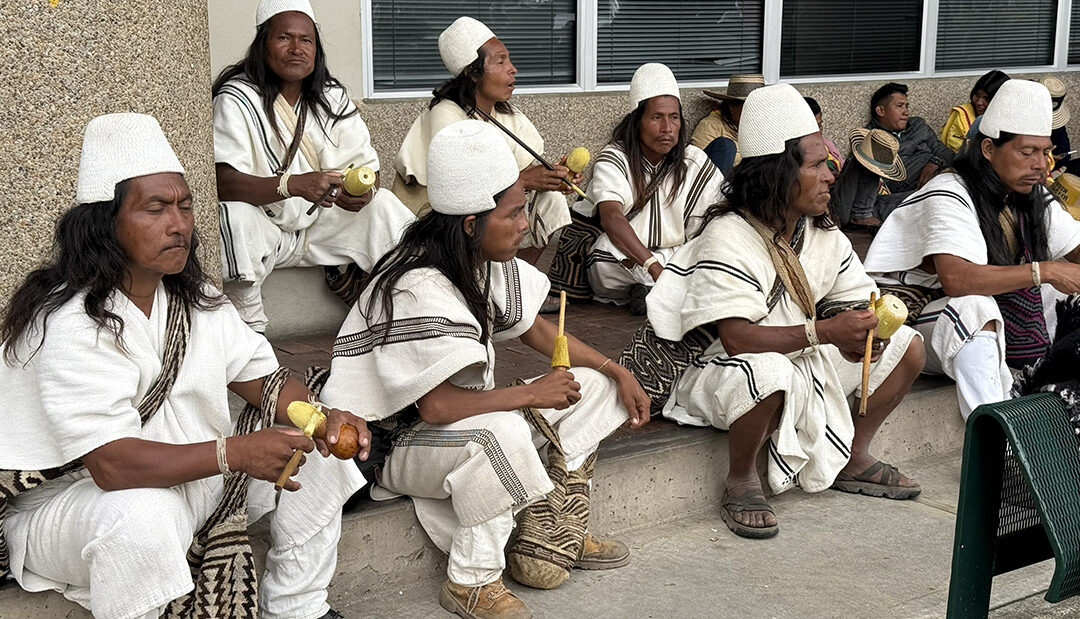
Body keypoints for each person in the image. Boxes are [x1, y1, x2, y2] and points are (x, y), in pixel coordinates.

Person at [0, 113, 369, 619]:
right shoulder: (69, 321)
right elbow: (111, 466)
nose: (178, 224)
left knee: (323, 455)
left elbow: (264, 380)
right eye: (155, 209)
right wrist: (233, 452)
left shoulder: (200, 303)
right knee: (143, 516)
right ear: (104, 224)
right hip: (77, 508)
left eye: (186, 206)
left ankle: (298, 606)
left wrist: (321, 419)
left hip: (191, 478)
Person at [319, 120, 651, 619]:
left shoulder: (479, 255)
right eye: (514, 213)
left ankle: (554, 526)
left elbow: (539, 331)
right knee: (498, 432)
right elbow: (436, 407)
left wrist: (617, 370)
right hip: (396, 443)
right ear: (472, 222)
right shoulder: (418, 284)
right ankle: (472, 582)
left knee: (598, 388)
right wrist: (532, 393)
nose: (524, 225)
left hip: (454, 426)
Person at [646, 84, 925, 540]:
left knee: (910, 347)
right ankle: (740, 481)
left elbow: (855, 297)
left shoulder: (822, 234)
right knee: (771, 372)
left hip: (804, 353)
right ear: (778, 174)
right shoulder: (729, 235)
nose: (831, 175)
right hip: (724, 369)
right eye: (816, 165)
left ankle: (854, 456)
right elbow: (738, 339)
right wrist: (828, 333)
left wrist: (868, 334)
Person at [864, 79, 1080, 420]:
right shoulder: (950, 191)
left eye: (1045, 152)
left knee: (1070, 295)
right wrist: (1045, 270)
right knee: (974, 309)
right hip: (913, 323)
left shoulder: (1032, 193)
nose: (1041, 164)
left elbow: (1075, 249)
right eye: (1027, 152)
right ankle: (999, 437)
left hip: (986, 317)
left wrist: (1059, 273)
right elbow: (957, 279)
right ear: (989, 149)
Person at [213, 0, 414, 332]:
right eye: (284, 38)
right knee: (231, 215)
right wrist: (290, 185)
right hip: (266, 229)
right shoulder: (237, 98)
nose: (296, 49)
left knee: (384, 206)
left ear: (316, 47)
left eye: (306, 40)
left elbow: (368, 168)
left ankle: (414, 306)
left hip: (322, 223)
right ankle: (249, 331)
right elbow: (223, 182)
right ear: (263, 43)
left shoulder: (331, 96)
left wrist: (363, 191)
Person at [392, 16, 575, 266]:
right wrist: (525, 180)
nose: (513, 68)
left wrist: (554, 176)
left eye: (508, 59)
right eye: (500, 61)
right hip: (447, 218)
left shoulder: (505, 113)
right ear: (473, 72)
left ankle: (520, 281)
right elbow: (463, 186)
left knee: (551, 200)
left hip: (492, 207)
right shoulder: (446, 113)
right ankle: (499, 281)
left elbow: (525, 169)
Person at [578, 63, 725, 315]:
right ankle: (660, 289)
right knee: (604, 254)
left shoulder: (694, 160)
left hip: (675, 255)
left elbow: (714, 216)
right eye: (657, 117)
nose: (667, 128)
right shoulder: (615, 158)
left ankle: (651, 290)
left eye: (674, 117)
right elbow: (611, 217)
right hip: (627, 257)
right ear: (637, 122)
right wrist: (652, 267)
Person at [847, 82, 955, 226]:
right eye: (899, 106)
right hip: (907, 189)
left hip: (941, 175)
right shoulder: (871, 139)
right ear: (881, 111)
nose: (906, 112)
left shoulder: (918, 125)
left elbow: (946, 153)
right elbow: (884, 181)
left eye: (906, 106)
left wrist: (935, 162)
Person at [829, 128, 908, 230]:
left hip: (866, 205)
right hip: (842, 212)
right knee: (867, 160)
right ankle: (861, 214)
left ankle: (862, 213)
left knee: (911, 197)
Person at [690, 73, 765, 173]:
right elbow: (694, 166)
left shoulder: (763, 126)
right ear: (731, 107)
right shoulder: (710, 126)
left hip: (754, 183)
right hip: (719, 184)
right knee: (726, 146)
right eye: (747, 107)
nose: (753, 112)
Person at [940, 70, 1009, 152]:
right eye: (977, 95)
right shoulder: (962, 115)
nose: (979, 102)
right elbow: (958, 152)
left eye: (986, 99)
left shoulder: (1009, 117)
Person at [804, 96, 844, 174]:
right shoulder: (799, 155)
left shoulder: (827, 145)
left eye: (819, 126)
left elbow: (842, 165)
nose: (818, 132)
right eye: (812, 128)